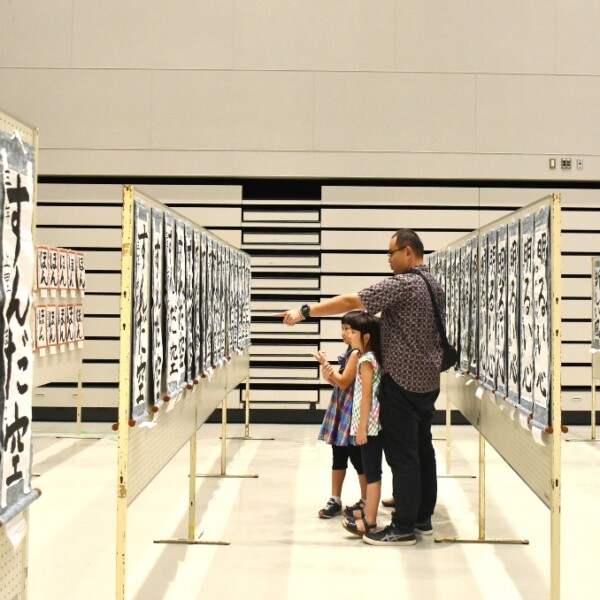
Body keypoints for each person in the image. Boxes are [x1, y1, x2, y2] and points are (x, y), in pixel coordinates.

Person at [276, 228, 444, 547]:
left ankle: (403, 527)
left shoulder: (403, 284)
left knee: (403, 456)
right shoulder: (434, 285)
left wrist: (304, 312)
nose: (389, 260)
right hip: (428, 382)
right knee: (423, 449)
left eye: (391, 253)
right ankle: (422, 516)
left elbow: (352, 301)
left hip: (402, 383)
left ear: (408, 252)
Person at [312, 310, 367, 519]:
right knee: (339, 455)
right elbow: (340, 381)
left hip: (351, 412)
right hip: (343, 409)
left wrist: (326, 366)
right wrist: (329, 374)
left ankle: (365, 500)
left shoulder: (356, 353)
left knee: (357, 457)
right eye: (343, 328)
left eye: (349, 330)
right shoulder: (351, 351)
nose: (345, 333)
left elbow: (344, 382)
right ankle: (335, 498)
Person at [339, 312, 383, 537]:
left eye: (354, 332)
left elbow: (366, 397)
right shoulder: (370, 357)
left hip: (370, 426)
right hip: (369, 424)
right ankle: (368, 512)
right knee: (372, 471)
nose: (349, 335)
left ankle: (370, 521)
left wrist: (362, 428)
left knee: (372, 473)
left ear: (366, 337)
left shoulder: (366, 361)